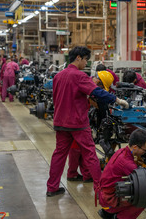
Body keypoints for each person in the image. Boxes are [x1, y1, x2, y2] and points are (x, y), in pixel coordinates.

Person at [46, 46, 129, 197]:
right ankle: (101, 188)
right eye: (85, 60)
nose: (86, 63)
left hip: (60, 122)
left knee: (59, 155)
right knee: (90, 154)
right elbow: (97, 92)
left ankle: (52, 188)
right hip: (77, 122)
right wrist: (116, 99)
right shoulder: (79, 76)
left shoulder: (58, 76)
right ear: (78, 58)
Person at [67, 71, 114, 183]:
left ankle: (80, 174)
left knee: (80, 148)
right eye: (101, 86)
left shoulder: (87, 83)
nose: (100, 89)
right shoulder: (86, 85)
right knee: (82, 148)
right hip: (76, 120)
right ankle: (84, 174)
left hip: (76, 119)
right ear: (98, 81)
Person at [98, 129, 146, 219]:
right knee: (145, 197)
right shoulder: (127, 164)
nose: (145, 152)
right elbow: (143, 183)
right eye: (145, 150)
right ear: (135, 147)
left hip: (104, 195)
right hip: (109, 201)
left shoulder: (122, 151)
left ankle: (108, 213)